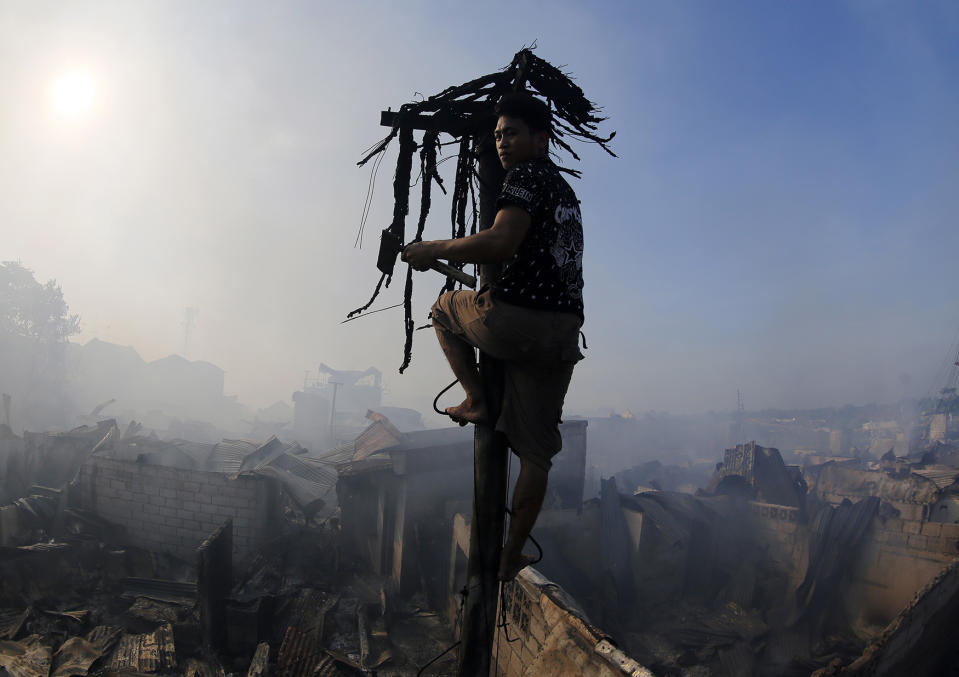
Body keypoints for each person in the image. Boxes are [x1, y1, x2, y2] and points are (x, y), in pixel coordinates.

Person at [402, 92, 584, 581]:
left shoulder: (524, 177)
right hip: (563, 334)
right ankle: (511, 554)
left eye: (513, 133)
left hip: (516, 323)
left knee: (443, 310)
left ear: (540, 138)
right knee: (538, 453)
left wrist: (432, 248)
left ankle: (477, 400)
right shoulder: (564, 191)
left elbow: (500, 241)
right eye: (499, 134)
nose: (502, 142)